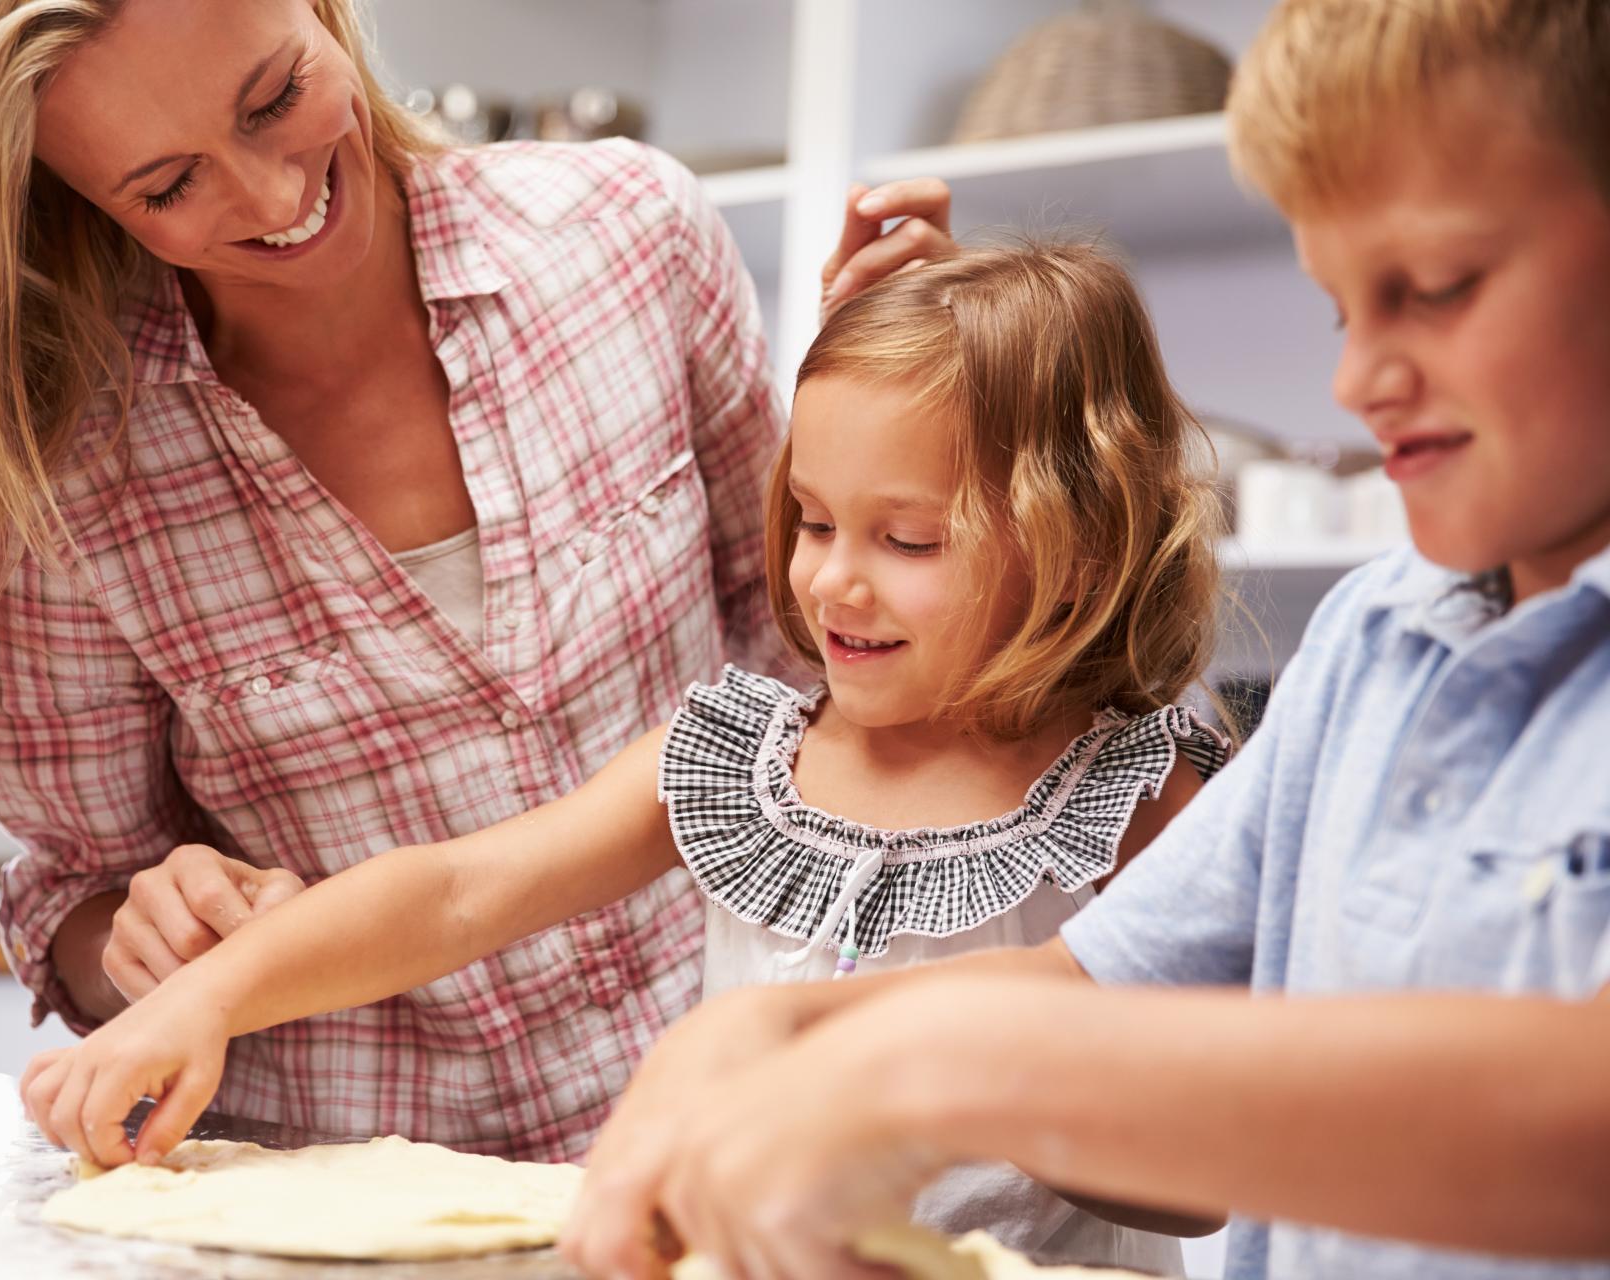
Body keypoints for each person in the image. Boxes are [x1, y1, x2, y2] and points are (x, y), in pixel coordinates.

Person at [558, 1, 1610, 1277]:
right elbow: (1097, 984)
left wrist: (922, 1067)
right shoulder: (1372, 646)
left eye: (1436, 290)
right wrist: (778, 1036)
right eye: (1341, 310)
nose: (1356, 381)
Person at [0, 0, 790, 1159]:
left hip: (731, 1137)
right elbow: (77, 896)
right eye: (167, 187)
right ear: (69, 192)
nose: (275, 200)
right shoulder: (59, 489)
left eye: (274, 98)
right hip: (335, 1196)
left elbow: (802, 666)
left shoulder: (633, 232)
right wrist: (148, 934)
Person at [21, 242, 1232, 1274]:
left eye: (908, 537)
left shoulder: (1130, 797)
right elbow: (456, 891)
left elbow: (1194, 1185)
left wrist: (951, 1093)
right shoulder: (742, 754)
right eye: (812, 519)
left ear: (1076, 541)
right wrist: (205, 999)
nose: (831, 577)